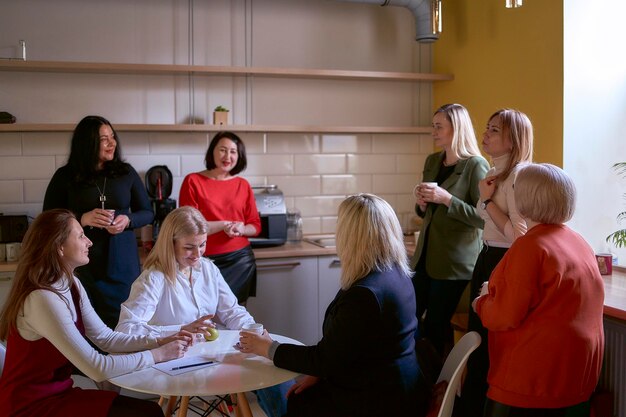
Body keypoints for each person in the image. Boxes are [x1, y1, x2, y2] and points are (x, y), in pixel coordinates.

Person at [239, 193, 427, 417]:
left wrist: (268, 348)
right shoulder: (395, 274)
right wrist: (319, 372)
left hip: (378, 401)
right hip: (399, 386)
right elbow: (348, 348)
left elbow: (324, 358)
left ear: (350, 236)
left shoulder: (364, 294)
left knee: (290, 398)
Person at [0, 209, 193, 417]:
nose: (89, 242)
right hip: (28, 407)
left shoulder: (71, 283)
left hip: (58, 396)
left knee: (150, 410)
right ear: (59, 248)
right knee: (146, 414)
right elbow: (97, 368)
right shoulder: (42, 299)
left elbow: (106, 338)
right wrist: (158, 355)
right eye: (81, 235)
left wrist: (160, 341)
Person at [115, 206, 289, 417]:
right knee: (259, 371)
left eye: (202, 244)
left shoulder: (207, 268)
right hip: (174, 363)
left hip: (209, 357)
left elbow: (232, 311)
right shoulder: (154, 278)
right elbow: (125, 329)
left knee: (272, 368)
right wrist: (180, 330)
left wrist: (254, 331)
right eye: (189, 247)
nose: (198, 254)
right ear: (171, 244)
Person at [472, 164, 604, 417]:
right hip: (576, 375)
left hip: (533, 378)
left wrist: (482, 302)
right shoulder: (579, 242)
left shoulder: (530, 247)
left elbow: (505, 315)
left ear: (523, 201)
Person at [43, 115, 154, 329]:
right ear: (88, 143)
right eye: (104, 139)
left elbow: (147, 212)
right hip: (82, 264)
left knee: (123, 323)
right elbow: (48, 218)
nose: (112, 143)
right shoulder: (65, 176)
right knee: (85, 325)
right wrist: (81, 219)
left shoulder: (126, 172)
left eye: (112, 137)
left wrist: (128, 220)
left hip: (123, 263)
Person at [461, 108, 534, 417]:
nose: (485, 135)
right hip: (487, 256)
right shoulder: (494, 172)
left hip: (503, 261)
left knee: (487, 345)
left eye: (493, 130)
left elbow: (520, 236)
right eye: (487, 128)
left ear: (513, 138)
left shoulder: (520, 176)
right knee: (476, 341)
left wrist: (488, 202)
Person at [411, 103, 489, 357]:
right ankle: (419, 376)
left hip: (454, 263)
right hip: (425, 257)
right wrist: (421, 204)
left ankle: (438, 384)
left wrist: (447, 199)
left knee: (435, 325)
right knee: (409, 317)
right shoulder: (433, 160)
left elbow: (484, 217)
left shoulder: (476, 165)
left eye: (438, 127)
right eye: (433, 126)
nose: (433, 132)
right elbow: (426, 212)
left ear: (456, 128)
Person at [179, 131, 261, 304]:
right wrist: (225, 224)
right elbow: (188, 226)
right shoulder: (193, 181)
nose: (228, 156)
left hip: (240, 261)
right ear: (212, 152)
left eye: (233, 152)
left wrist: (241, 228)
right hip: (201, 259)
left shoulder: (243, 185)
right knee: (204, 314)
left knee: (236, 316)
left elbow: (255, 225)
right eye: (223, 150)